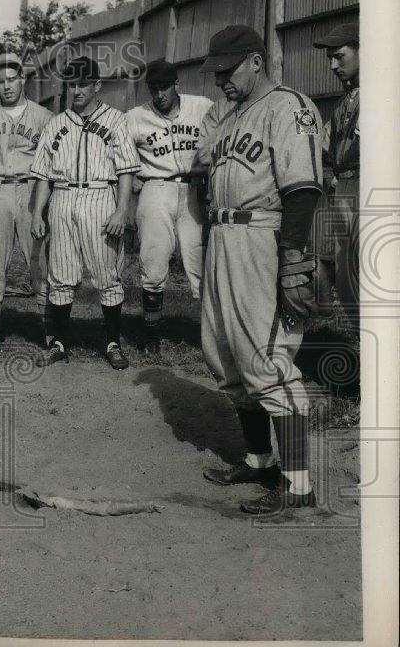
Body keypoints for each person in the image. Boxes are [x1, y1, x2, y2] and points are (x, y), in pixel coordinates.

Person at [196, 25, 321, 515]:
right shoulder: (230, 118)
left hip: (262, 240)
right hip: (224, 239)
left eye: (228, 70)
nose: (219, 80)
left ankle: (298, 486)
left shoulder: (288, 106)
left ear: (255, 60)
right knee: (226, 356)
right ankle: (259, 457)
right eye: (216, 72)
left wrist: (291, 259)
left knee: (267, 357)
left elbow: (303, 189)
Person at [30, 56, 140, 369]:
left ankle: (113, 342)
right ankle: (60, 343)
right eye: (72, 84)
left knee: (106, 275)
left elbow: (126, 170)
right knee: (61, 275)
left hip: (99, 196)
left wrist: (121, 211)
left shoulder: (116, 120)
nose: (76, 90)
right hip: (63, 198)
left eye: (82, 84)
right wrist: (38, 213)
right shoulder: (56, 122)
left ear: (96, 85)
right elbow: (43, 174)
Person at [125, 59, 214, 353]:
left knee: (200, 261)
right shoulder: (135, 116)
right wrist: (133, 174)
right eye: (154, 88)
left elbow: (223, 136)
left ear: (177, 84)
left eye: (164, 87)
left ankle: (211, 337)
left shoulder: (202, 107)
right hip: (156, 187)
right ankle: (152, 335)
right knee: (153, 260)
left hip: (193, 188)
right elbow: (120, 154)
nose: (159, 94)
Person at [0, 52, 53, 348]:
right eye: (0, 81)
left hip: (31, 189)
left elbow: (51, 158)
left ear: (23, 79)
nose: (6, 86)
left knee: (40, 259)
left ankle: (50, 334)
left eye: (12, 79)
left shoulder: (43, 116)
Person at [312, 23, 360, 335]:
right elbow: (321, 145)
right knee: (347, 280)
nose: (333, 65)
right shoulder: (346, 101)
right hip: (344, 189)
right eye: (330, 58)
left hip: (369, 188)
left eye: (340, 56)